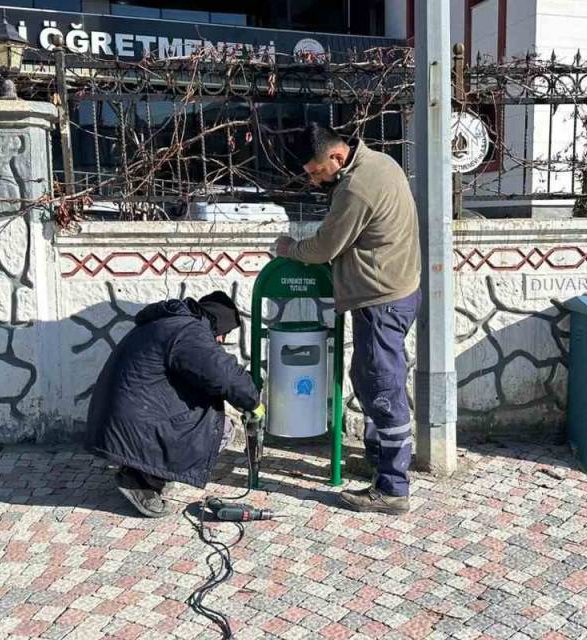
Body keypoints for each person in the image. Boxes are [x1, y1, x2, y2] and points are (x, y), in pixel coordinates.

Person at [275, 123, 421, 515]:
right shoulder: (382, 162)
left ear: (337, 157)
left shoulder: (356, 187)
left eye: (317, 171)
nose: (314, 179)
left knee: (381, 386)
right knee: (371, 377)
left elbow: (324, 247)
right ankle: (380, 458)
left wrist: (290, 248)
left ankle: (393, 488)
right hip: (398, 291)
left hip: (381, 299)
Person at [86, 291, 263, 518]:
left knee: (202, 409)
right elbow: (223, 374)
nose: (220, 340)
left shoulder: (169, 323)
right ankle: (141, 481)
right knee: (220, 429)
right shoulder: (189, 332)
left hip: (119, 420)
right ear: (216, 323)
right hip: (134, 422)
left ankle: (142, 469)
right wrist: (253, 402)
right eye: (223, 334)